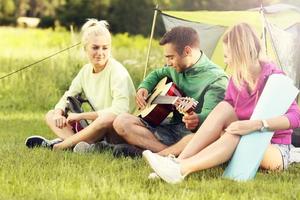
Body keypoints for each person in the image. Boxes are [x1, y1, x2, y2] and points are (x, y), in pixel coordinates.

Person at [142, 23, 300, 184]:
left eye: (227, 56)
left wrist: (255, 125)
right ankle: (176, 163)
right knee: (224, 108)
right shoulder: (236, 80)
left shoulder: (275, 78)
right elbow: (224, 114)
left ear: (240, 54)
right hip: (243, 137)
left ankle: (181, 168)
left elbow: (296, 117)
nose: (226, 61)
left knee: (236, 133)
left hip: (273, 148)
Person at [112, 26, 228, 157]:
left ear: (187, 51)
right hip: (171, 128)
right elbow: (157, 74)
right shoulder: (175, 67)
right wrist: (144, 87)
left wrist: (196, 119)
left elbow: (212, 119)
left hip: (191, 137)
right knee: (121, 122)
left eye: (170, 57)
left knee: (194, 141)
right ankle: (165, 154)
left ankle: (150, 153)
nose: (168, 63)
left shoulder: (216, 79)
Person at [25, 19, 136, 150]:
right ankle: (79, 146)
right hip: (96, 128)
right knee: (50, 115)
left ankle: (58, 146)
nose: (100, 53)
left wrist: (81, 116)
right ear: (85, 48)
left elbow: (120, 110)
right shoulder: (85, 71)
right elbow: (68, 96)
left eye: (105, 48)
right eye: (95, 47)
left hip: (118, 129)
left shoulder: (117, 71)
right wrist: (58, 113)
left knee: (106, 118)